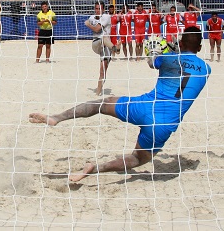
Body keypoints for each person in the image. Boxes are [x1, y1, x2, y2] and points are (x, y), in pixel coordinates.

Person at [29, 26, 210, 182]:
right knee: (136, 159)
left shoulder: (170, 58)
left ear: (181, 42)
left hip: (144, 106)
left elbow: (152, 62)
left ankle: (56, 118)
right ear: (200, 47)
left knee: (101, 104)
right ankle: (96, 169)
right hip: (163, 124)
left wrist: (161, 52)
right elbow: (186, 67)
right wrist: (173, 50)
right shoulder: (206, 69)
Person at [86, 2, 112, 96]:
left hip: (105, 47)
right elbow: (96, 30)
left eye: (99, 9)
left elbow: (97, 29)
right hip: (96, 43)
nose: (97, 10)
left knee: (103, 70)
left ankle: (98, 91)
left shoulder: (106, 17)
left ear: (103, 10)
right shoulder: (92, 17)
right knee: (104, 38)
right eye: (96, 8)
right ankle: (114, 47)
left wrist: (88, 25)